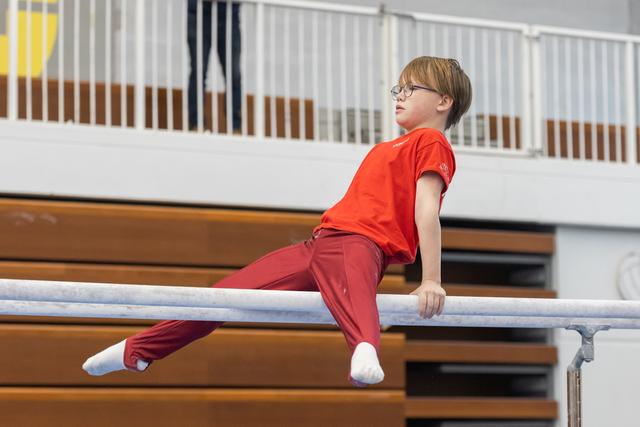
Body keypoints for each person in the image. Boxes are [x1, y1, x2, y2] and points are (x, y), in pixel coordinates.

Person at [82, 56, 473, 387]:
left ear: (443, 101)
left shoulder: (431, 143)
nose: (400, 96)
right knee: (226, 297)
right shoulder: (390, 146)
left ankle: (365, 347)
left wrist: (431, 280)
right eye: (398, 89)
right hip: (319, 245)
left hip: (358, 243)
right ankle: (139, 350)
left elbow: (427, 211)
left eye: (411, 88)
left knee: (355, 300)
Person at [187, 0, 242, 132]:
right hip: (198, 11)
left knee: (234, 74)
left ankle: (235, 127)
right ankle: (196, 125)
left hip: (229, 13)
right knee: (198, 71)